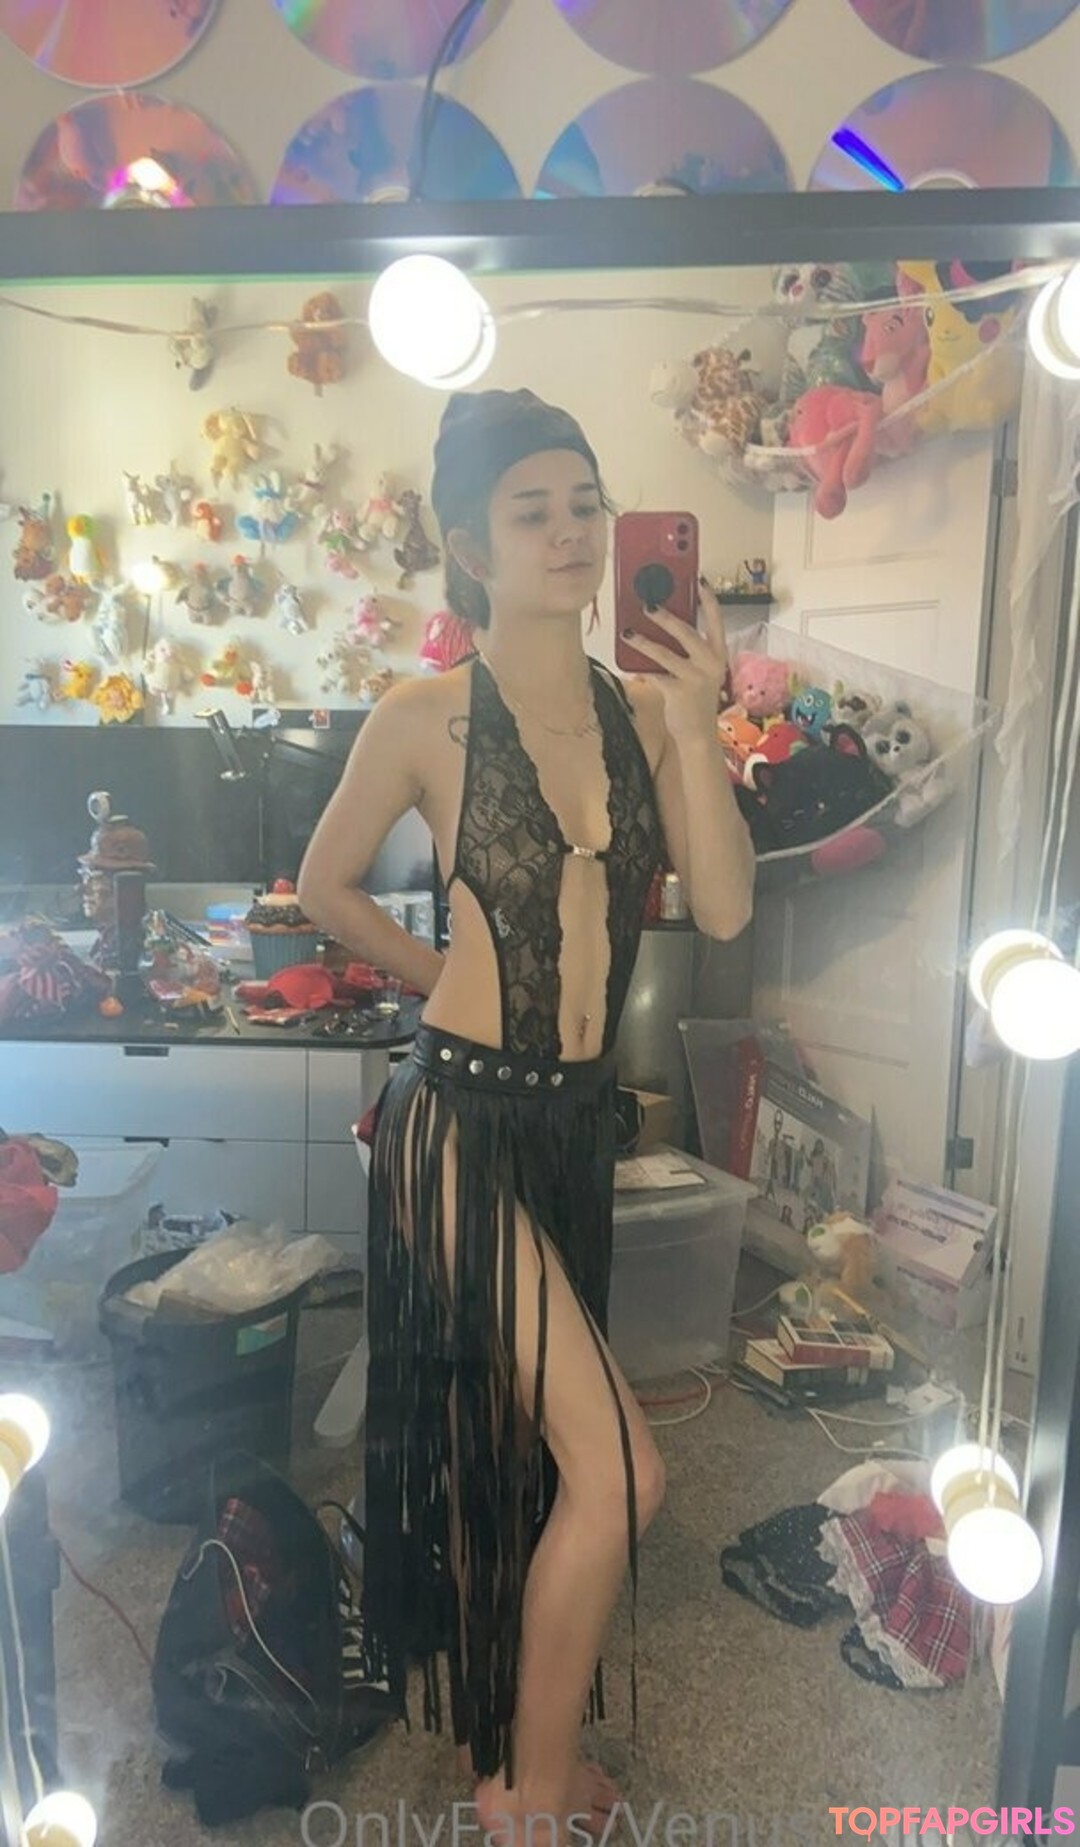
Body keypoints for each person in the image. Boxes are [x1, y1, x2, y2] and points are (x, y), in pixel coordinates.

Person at [297, 388, 755, 1841]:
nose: (570, 533)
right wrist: (441, 977)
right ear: (472, 545)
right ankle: (528, 1804)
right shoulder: (423, 715)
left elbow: (723, 908)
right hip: (453, 1126)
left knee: (535, 1463)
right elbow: (324, 886)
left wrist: (698, 725)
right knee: (622, 1467)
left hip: (568, 1126)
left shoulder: (641, 714)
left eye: (586, 504)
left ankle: (512, 1752)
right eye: (532, 511)